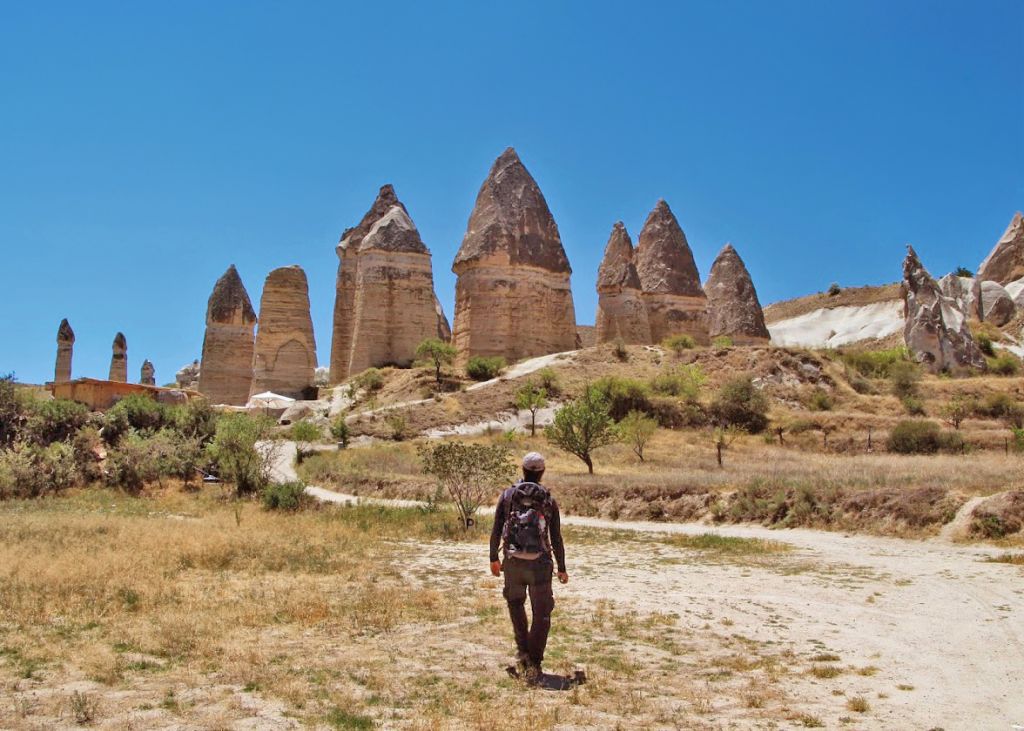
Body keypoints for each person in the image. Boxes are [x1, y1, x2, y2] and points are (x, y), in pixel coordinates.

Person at [489, 451, 568, 683]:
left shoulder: (508, 495)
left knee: (515, 605)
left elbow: (496, 529)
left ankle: (523, 654)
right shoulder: (548, 500)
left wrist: (493, 557)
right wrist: (562, 567)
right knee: (542, 614)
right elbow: (556, 537)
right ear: (541, 472)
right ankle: (534, 660)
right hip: (540, 565)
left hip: (512, 562)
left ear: (522, 470)